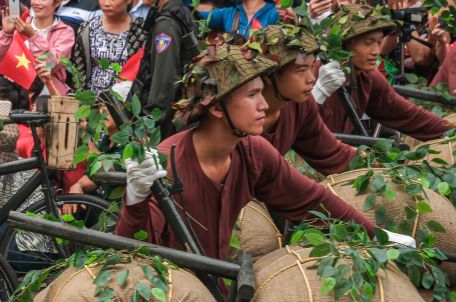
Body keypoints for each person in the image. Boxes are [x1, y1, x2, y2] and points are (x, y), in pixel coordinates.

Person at [117, 43, 385, 261]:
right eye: (252, 95)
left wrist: (379, 237)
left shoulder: (251, 150)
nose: (263, 104)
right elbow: (136, 253)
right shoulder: (169, 163)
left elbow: (311, 200)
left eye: (262, 92)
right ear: (217, 108)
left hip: (217, 286)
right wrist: (135, 198)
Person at [315, 5, 453, 141]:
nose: (376, 51)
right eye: (368, 43)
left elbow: (409, 116)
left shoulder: (368, 77)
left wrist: (451, 132)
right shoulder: (315, 76)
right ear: (343, 44)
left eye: (379, 42)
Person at [251, 23, 354, 174]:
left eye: (312, 67)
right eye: (301, 70)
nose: (312, 78)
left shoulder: (301, 104)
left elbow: (332, 154)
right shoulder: (240, 112)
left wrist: (377, 166)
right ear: (269, 74)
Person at [128, 0, 197, 135]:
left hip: (162, 129)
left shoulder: (166, 24)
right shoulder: (177, 13)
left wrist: (149, 128)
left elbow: (164, 83)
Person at [0, 0, 74, 96]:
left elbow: (51, 63)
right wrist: (7, 33)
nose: (37, 2)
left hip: (48, 93)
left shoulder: (65, 32)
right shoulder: (21, 23)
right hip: (16, 92)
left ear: (57, 2)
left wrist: (33, 36)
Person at [71, 0, 144, 94]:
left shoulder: (140, 30)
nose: (106, 3)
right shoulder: (88, 29)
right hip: (93, 102)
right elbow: (79, 70)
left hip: (127, 102)